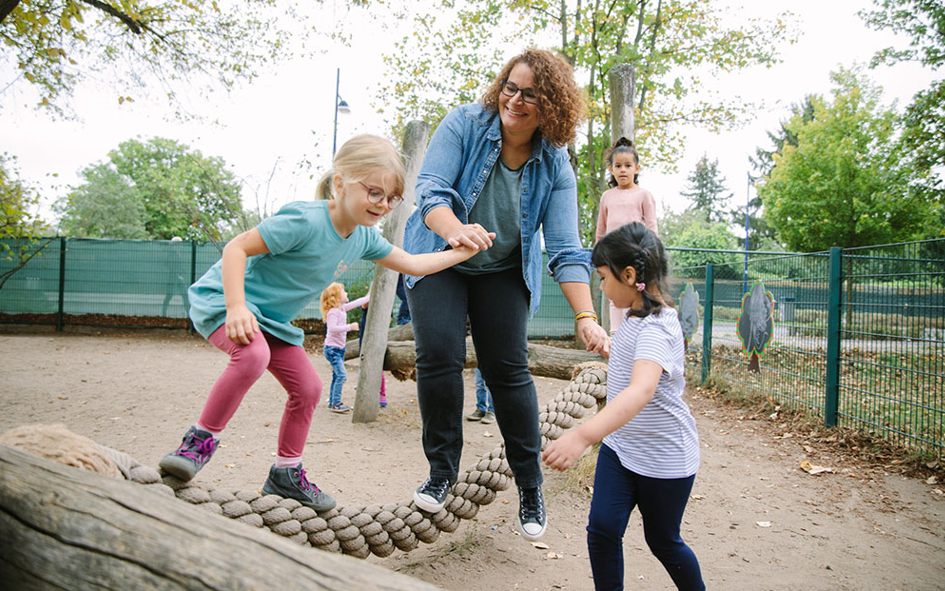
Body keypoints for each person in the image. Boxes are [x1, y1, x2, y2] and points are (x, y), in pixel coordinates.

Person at [159, 134, 488, 513]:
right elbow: (236, 248)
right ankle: (196, 444)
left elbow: (413, 264)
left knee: (310, 387)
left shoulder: (363, 238)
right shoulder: (305, 220)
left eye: (391, 197)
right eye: (374, 192)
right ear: (340, 183)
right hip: (225, 301)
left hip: (272, 321)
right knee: (252, 356)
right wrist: (236, 307)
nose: (382, 204)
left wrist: (460, 250)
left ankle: (285, 473)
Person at [402, 48, 609, 541]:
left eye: (530, 94)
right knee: (439, 356)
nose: (514, 100)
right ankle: (441, 471)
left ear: (552, 106)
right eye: (509, 88)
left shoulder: (556, 164)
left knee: (507, 370)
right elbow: (430, 192)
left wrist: (585, 315)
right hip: (440, 255)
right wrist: (457, 232)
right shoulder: (464, 124)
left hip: (502, 269)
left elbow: (563, 247)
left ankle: (529, 482)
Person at [543, 222, 704, 590]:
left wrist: (581, 436)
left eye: (603, 277)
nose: (600, 286)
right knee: (602, 529)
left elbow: (641, 390)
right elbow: (637, 362)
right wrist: (608, 348)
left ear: (629, 275)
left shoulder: (658, 327)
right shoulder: (635, 316)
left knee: (663, 541)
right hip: (621, 449)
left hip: (663, 458)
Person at [595, 137, 659, 334]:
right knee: (614, 293)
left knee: (636, 292)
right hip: (613, 256)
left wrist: (651, 254)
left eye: (628, 165)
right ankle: (616, 333)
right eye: (618, 166)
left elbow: (651, 227)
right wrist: (599, 256)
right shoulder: (607, 196)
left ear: (636, 168)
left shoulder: (644, 195)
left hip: (636, 255)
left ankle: (636, 330)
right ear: (611, 169)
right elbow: (601, 229)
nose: (623, 170)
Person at [320, 283, 369, 413]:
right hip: (332, 349)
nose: (346, 293)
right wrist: (350, 327)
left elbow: (358, 302)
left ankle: (332, 402)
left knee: (337, 376)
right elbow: (332, 328)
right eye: (343, 292)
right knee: (341, 375)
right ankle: (336, 403)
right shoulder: (334, 312)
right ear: (336, 298)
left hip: (338, 349)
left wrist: (369, 296)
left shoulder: (342, 309)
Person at [356, 297, 388, 407]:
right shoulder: (366, 306)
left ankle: (382, 394)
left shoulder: (386, 307)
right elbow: (364, 304)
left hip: (378, 340)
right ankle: (363, 392)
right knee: (363, 366)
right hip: (365, 341)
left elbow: (388, 320)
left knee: (379, 369)